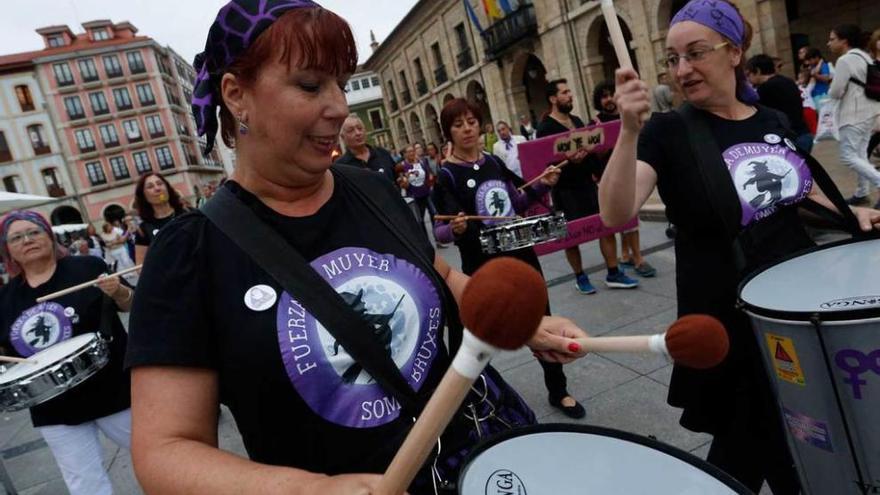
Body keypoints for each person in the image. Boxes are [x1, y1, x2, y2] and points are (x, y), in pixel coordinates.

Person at [126, 3, 588, 494]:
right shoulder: (188, 253)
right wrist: (308, 491)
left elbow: (446, 279)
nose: (340, 106)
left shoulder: (374, 190)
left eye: (341, 84)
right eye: (310, 85)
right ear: (237, 95)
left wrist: (522, 324)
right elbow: (164, 451)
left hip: (480, 450)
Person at [599, 1, 880, 492]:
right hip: (731, 324)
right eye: (673, 58)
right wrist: (627, 131)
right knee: (768, 445)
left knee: (790, 443)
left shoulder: (769, 117)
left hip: (794, 314)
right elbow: (615, 212)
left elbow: (807, 196)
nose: (683, 69)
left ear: (734, 52)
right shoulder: (670, 131)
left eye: (696, 53)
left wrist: (852, 214)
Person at [431, 97, 586, 419]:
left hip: (520, 255)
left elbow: (517, 200)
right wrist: (456, 228)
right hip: (480, 265)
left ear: (480, 124)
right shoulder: (446, 175)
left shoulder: (493, 162)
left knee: (542, 320)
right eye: (458, 125)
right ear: (448, 132)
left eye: (471, 122)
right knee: (469, 334)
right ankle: (460, 398)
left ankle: (559, 390)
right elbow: (440, 231)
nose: (467, 129)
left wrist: (543, 185)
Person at [0, 210, 133, 495]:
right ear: (8, 250)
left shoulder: (87, 267)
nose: (28, 240)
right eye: (17, 237)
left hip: (114, 389)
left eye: (34, 232)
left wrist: (118, 291)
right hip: (53, 407)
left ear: (49, 236)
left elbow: (131, 304)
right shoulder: (5, 299)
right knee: (85, 485)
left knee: (157, 456)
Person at [537, 78, 639, 293]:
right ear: (553, 99)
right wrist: (565, 159)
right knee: (570, 236)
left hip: (587, 184)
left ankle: (613, 272)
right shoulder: (545, 128)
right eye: (564, 93)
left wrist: (594, 156)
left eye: (569, 91)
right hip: (565, 190)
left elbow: (591, 150)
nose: (569, 96)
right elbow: (545, 163)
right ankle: (580, 276)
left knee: (605, 226)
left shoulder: (577, 121)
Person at [590, 82, 656, 278]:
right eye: (604, 96)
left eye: (611, 94)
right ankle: (627, 255)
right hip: (607, 176)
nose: (608, 99)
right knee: (618, 218)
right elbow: (593, 154)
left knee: (632, 219)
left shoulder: (626, 116)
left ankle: (637, 257)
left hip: (632, 170)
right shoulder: (595, 124)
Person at [828, 24, 880, 208]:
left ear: (844, 40)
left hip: (854, 113)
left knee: (848, 155)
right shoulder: (864, 56)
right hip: (870, 111)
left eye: (833, 39)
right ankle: (862, 192)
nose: (829, 43)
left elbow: (835, 92)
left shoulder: (845, 61)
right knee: (860, 154)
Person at [745, 54, 814, 152]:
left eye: (749, 74)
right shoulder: (788, 81)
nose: (748, 79)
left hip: (790, 139)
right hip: (804, 134)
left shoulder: (765, 88)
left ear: (757, 71)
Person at [132, 172, 189, 264]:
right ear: (144, 196)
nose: (157, 189)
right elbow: (141, 266)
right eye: (150, 187)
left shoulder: (189, 213)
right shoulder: (143, 230)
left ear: (167, 188)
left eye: (160, 184)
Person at [335, 115, 397, 183]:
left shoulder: (383, 153)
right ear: (342, 137)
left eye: (360, 128)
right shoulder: (340, 166)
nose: (358, 133)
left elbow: (397, 178)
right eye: (351, 130)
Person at [398, 144, 434, 227]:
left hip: (426, 192)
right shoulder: (402, 166)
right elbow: (401, 183)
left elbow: (428, 174)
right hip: (413, 195)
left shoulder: (421, 162)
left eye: (413, 151)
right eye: (409, 151)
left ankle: (437, 236)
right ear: (405, 154)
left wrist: (429, 184)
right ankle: (424, 239)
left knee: (433, 213)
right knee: (419, 220)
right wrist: (404, 178)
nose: (412, 153)